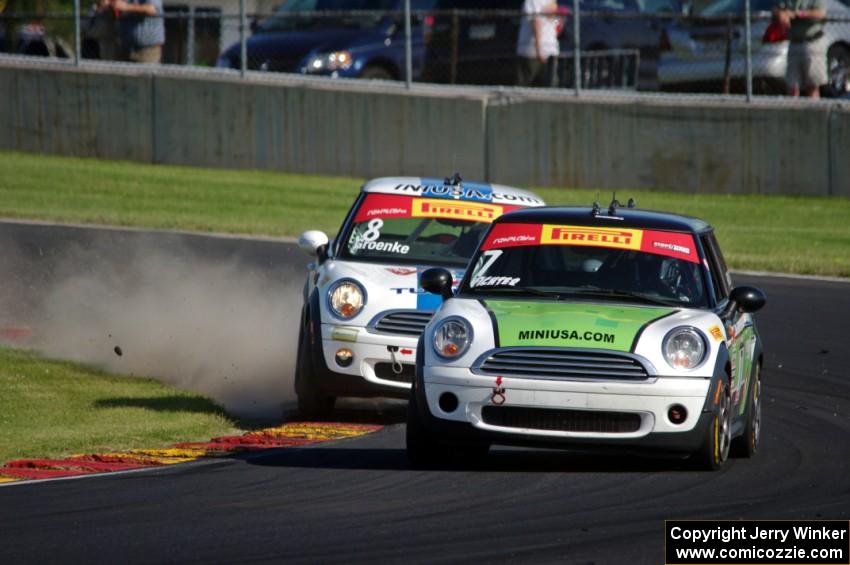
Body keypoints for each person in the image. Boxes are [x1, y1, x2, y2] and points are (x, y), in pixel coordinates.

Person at [775, 0, 828, 98]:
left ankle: (813, 111)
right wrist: (781, 14)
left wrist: (799, 14)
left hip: (812, 44)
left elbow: (821, 13)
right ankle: (793, 111)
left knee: (812, 86)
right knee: (792, 86)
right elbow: (777, 9)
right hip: (794, 43)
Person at [516, 0, 560, 87]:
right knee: (548, 85)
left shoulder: (533, 1)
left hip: (534, 51)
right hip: (546, 49)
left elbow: (536, 24)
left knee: (525, 85)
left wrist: (539, 49)